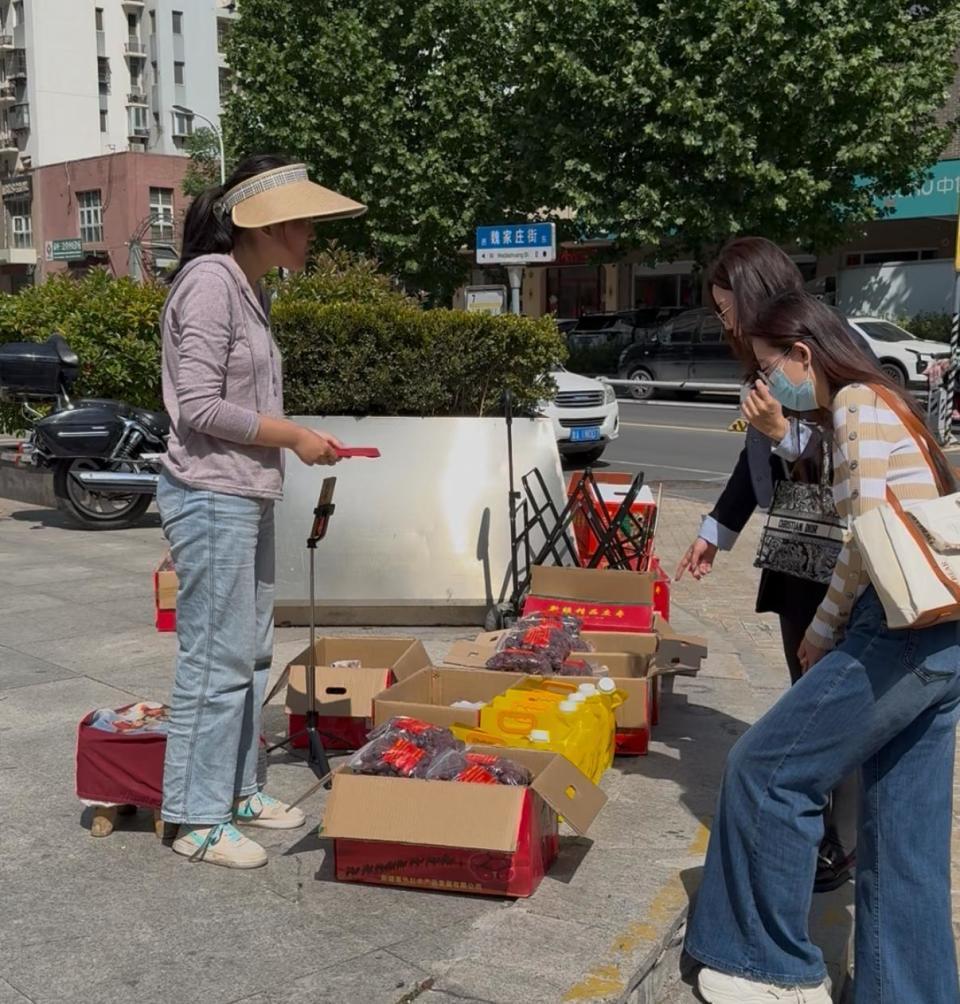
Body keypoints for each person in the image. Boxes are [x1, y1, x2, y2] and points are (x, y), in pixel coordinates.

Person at [686, 290, 960, 1004]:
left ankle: (772, 968)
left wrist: (821, 627)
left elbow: (866, 538)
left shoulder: (855, 404)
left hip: (897, 630)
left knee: (767, 770)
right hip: (942, 637)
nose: (767, 380)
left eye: (770, 364)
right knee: (903, 843)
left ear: (802, 354)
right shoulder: (879, 399)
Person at [157, 155, 367, 869]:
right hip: (211, 494)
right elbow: (200, 406)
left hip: (243, 494)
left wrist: (293, 441)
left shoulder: (249, 288)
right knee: (215, 660)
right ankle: (194, 815)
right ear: (267, 225)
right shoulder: (212, 283)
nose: (312, 235)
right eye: (303, 222)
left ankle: (238, 790)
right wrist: (295, 437)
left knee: (248, 656)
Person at [676, 237, 864, 891]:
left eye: (727, 307)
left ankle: (839, 843)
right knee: (804, 685)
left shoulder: (815, 343)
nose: (724, 321)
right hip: (793, 545)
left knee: (827, 698)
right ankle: (821, 833)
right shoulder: (762, 360)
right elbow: (752, 457)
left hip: (833, 550)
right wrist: (714, 530)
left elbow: (842, 446)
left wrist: (785, 434)